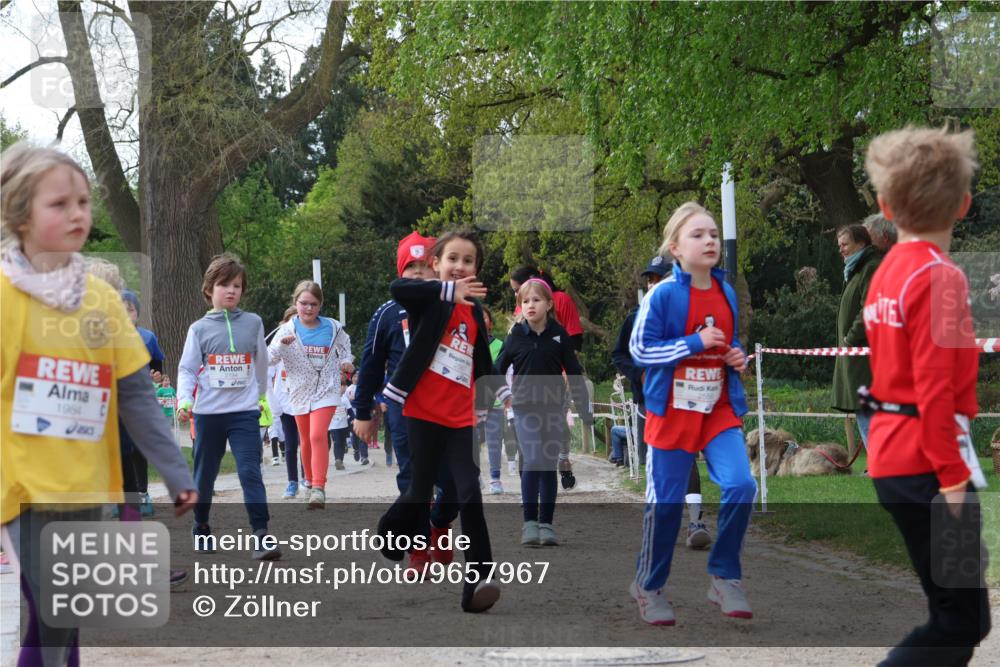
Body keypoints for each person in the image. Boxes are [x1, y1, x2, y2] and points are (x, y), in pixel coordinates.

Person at [1, 142, 197, 666]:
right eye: (59, 203)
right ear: (19, 213)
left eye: (84, 201)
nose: (78, 213)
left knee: (61, 618)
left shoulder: (102, 299)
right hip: (21, 488)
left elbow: (135, 393)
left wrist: (177, 471)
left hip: (89, 484)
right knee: (55, 611)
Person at [862, 126, 990, 666]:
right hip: (931, 464)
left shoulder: (886, 270)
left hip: (895, 456)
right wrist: (954, 486)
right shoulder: (942, 277)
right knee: (959, 619)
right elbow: (936, 391)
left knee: (963, 615)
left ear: (885, 206)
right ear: (963, 205)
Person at [629, 202, 757, 626]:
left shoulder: (726, 292)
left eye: (714, 234)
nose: (710, 241)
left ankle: (723, 577)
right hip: (673, 410)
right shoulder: (663, 294)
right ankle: (649, 587)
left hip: (717, 408)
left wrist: (733, 356)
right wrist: (693, 343)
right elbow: (640, 351)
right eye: (698, 235)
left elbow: (722, 345)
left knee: (741, 483)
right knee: (665, 507)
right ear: (675, 248)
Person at [377, 229, 508, 613]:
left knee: (470, 491)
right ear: (436, 264)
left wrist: (503, 393)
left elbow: (482, 358)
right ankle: (391, 529)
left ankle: (479, 580)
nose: (460, 267)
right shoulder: (429, 300)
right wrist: (445, 291)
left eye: (468, 261)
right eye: (452, 259)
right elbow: (398, 287)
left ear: (476, 270)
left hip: (460, 418)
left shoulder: (475, 315)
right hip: (422, 413)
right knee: (418, 491)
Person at [177, 253, 279, 560]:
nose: (231, 290)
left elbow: (261, 362)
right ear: (209, 289)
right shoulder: (198, 329)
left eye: (237, 285)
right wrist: (185, 399)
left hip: (244, 412)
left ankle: (261, 535)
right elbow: (187, 369)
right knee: (205, 474)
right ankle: (201, 525)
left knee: (250, 471)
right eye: (224, 285)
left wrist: (260, 397)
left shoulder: (253, 323)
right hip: (208, 414)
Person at [613, 255, 712, 549]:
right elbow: (619, 355)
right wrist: (639, 374)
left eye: (660, 278)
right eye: (650, 279)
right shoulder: (635, 318)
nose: (653, 284)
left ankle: (695, 522)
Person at [496, 278, 592, 546]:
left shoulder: (560, 336)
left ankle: (546, 525)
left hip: (553, 409)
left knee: (548, 464)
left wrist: (584, 409)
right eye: (525, 301)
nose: (530, 305)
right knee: (534, 459)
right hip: (524, 409)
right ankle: (529, 523)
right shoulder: (515, 336)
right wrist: (505, 395)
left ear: (549, 304)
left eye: (536, 300)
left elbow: (573, 373)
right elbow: (496, 369)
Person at [267, 280, 354, 509]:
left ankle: (318, 487)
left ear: (320, 305)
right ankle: (307, 481)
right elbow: (268, 359)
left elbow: (346, 347)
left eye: (313, 304)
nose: (308, 308)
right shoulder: (286, 330)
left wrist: (346, 362)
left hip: (326, 389)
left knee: (317, 435)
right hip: (298, 391)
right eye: (303, 303)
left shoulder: (333, 327)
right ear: (295, 303)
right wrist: (281, 347)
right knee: (305, 440)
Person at [831, 224, 881, 452]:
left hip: (864, 356)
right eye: (839, 245)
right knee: (863, 411)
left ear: (861, 243)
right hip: (855, 356)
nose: (841, 249)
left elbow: (869, 308)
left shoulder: (870, 268)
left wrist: (850, 340)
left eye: (845, 244)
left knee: (868, 410)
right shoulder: (855, 269)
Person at [480, 305, 513, 494]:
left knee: (494, 441)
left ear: (490, 323)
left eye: (485, 317)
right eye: (478, 317)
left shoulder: (500, 345)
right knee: (472, 441)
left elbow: (504, 373)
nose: (481, 320)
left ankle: (495, 478)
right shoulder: (465, 344)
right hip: (472, 401)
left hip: (495, 401)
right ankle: (475, 475)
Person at [329, 373, 352, 469]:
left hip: (344, 425)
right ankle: (337, 460)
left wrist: (353, 419)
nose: (344, 388)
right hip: (334, 426)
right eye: (341, 386)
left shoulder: (345, 399)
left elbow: (350, 411)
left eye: (344, 386)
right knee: (337, 442)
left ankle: (341, 460)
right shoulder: (331, 399)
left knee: (342, 443)